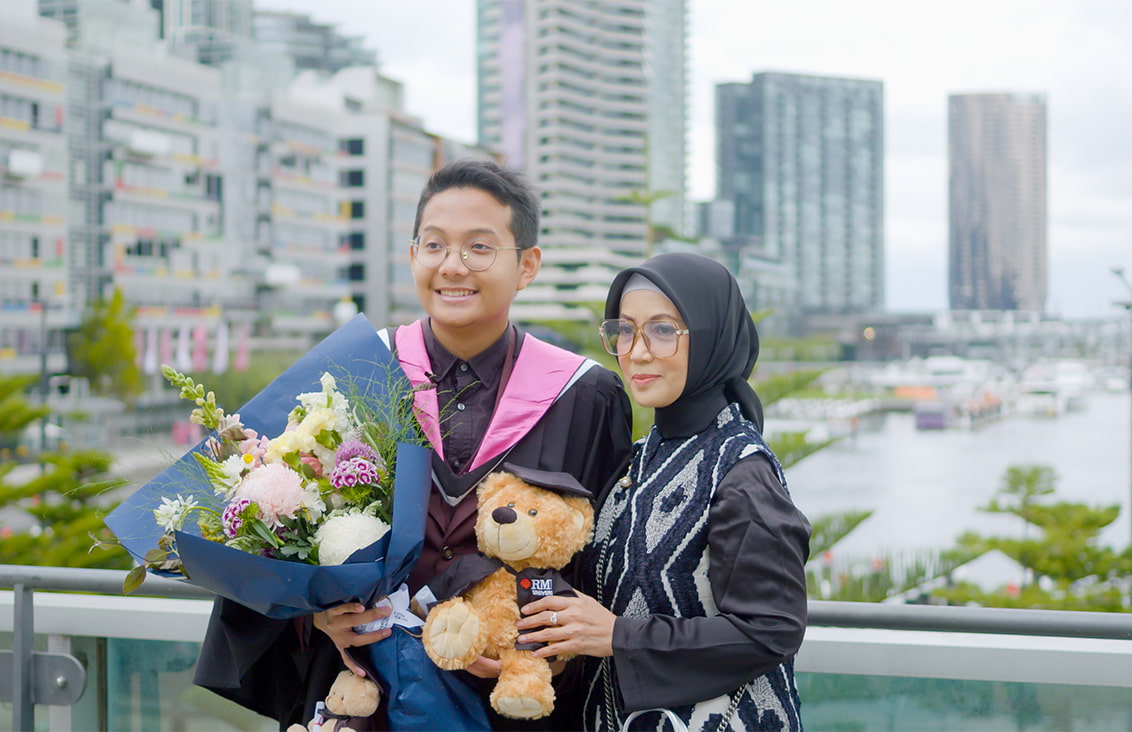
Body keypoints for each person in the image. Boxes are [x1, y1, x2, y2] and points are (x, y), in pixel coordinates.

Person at [192, 159, 633, 730]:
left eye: (479, 247)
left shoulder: (585, 396)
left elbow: (607, 572)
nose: (453, 266)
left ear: (527, 265)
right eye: (435, 245)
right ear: (412, 255)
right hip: (364, 695)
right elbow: (280, 542)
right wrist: (316, 618)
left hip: (514, 705)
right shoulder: (355, 374)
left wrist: (533, 645)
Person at [516, 252, 812, 731]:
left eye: (662, 330)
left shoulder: (739, 471)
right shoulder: (639, 458)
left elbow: (773, 629)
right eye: (625, 329)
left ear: (712, 337)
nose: (636, 351)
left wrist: (620, 636)